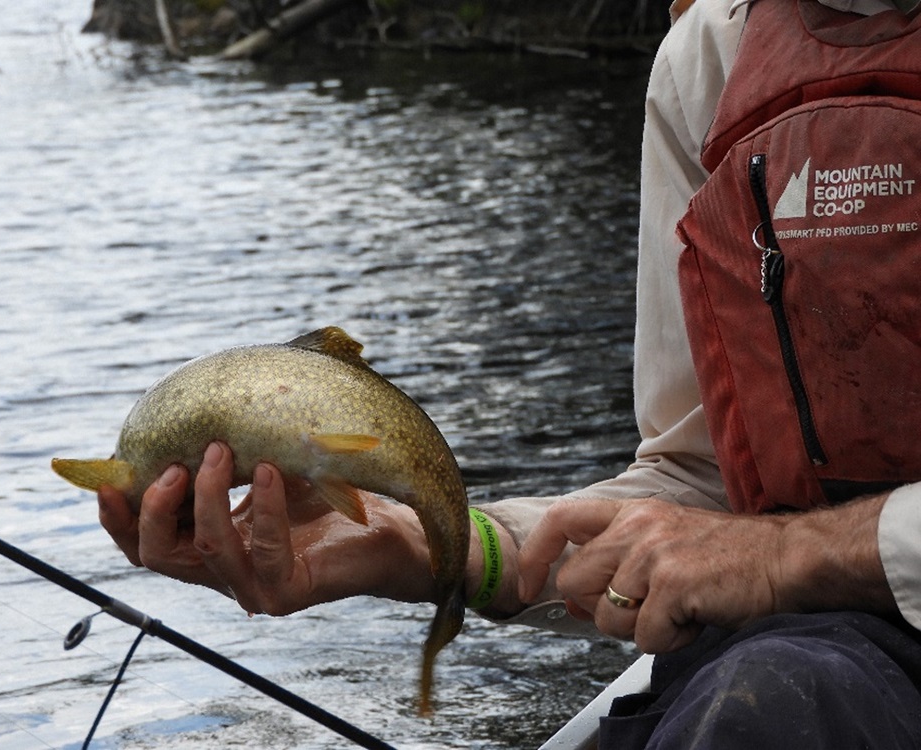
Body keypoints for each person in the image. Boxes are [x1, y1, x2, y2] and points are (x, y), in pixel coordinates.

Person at [98, 0, 921, 746]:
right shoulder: (709, 54)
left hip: (809, 673)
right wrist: (433, 547)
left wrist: (782, 559)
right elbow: (705, 494)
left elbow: (752, 550)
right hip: (804, 650)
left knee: (773, 700)